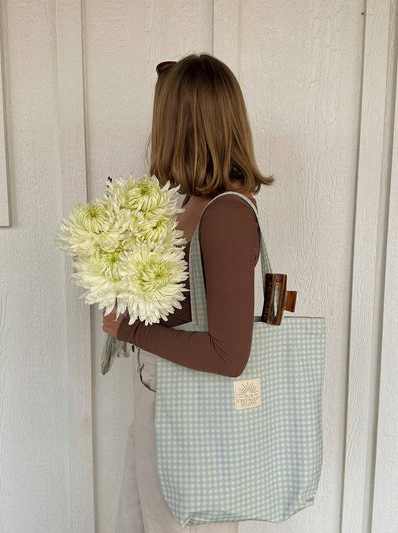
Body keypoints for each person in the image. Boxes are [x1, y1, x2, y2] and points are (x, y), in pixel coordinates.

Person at [102, 53, 274, 533]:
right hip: (163, 399)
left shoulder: (225, 215)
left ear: (182, 125)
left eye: (163, 119)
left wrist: (130, 329)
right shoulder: (193, 204)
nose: (156, 134)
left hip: (192, 414)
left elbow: (228, 355)